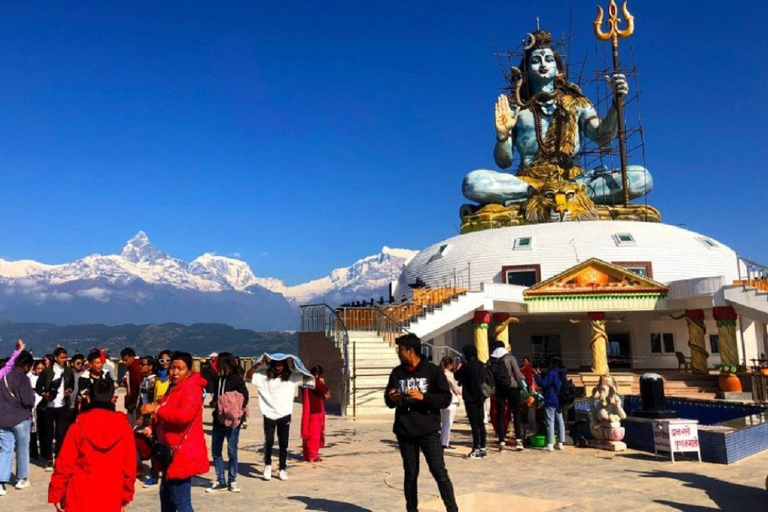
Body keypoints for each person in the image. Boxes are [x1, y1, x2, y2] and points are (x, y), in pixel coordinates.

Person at [462, 29, 652, 206]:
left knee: (641, 178)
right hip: (528, 181)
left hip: (575, 180)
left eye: (548, 59)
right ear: (526, 69)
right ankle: (541, 194)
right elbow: (504, 162)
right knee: (473, 183)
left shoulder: (577, 103)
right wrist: (502, 135)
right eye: (536, 60)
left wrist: (616, 104)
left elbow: (603, 137)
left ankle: (561, 194)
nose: (543, 64)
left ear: (558, 68)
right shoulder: (517, 108)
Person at [384, 334, 458, 512]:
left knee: (439, 472)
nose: (398, 353)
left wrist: (423, 397)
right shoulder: (397, 373)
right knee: (410, 474)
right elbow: (388, 400)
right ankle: (411, 509)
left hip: (428, 431)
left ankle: (452, 509)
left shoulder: (432, 371)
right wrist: (392, 397)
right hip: (405, 432)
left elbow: (445, 399)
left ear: (410, 351)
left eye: (400, 349)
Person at [48, 379, 136, 512]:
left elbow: (64, 464)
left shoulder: (78, 427)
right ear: (113, 399)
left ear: (89, 399)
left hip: (79, 496)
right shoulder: (125, 429)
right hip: (111, 496)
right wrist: (127, 495)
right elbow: (129, 467)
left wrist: (56, 493)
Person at [139, 351, 208, 512]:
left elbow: (184, 416)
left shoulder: (192, 389)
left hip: (181, 453)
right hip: (169, 452)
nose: (175, 372)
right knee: (167, 501)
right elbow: (164, 416)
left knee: (181, 504)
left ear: (189, 371)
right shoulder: (174, 388)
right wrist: (150, 429)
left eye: (180, 368)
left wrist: (156, 408)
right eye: (172, 368)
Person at [251, 354, 313, 481]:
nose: (278, 367)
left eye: (281, 364)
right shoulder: (263, 377)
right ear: (272, 364)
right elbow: (248, 375)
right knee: (268, 441)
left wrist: (296, 365)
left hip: (284, 413)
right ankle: (267, 465)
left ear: (285, 365)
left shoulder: (291, 378)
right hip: (268, 412)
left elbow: (308, 377)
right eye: (276, 364)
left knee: (283, 443)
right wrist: (258, 364)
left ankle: (282, 469)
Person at [206, 352, 248, 493]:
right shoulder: (218, 380)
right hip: (218, 420)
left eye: (220, 364)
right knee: (216, 451)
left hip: (232, 421)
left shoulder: (236, 379)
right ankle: (220, 480)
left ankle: (233, 480)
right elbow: (216, 396)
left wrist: (233, 409)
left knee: (232, 450)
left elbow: (245, 397)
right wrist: (216, 403)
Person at [0, 350, 35, 495]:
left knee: (5, 449)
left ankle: (1, 482)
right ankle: (22, 478)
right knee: (22, 448)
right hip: (20, 417)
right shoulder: (23, 379)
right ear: (26, 365)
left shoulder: (4, 376)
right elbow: (28, 400)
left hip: (3, 417)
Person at [36, 347, 75, 471]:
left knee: (60, 433)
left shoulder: (69, 371)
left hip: (62, 405)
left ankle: (59, 457)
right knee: (48, 432)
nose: (64, 360)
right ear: (56, 358)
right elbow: (38, 387)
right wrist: (44, 394)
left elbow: (72, 385)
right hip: (48, 406)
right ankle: (48, 458)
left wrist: (68, 390)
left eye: (65, 357)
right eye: (62, 357)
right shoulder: (47, 372)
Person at [488, 341, 525, 451]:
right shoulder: (510, 358)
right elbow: (518, 374)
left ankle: (501, 440)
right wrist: (522, 385)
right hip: (512, 387)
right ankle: (518, 439)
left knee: (500, 413)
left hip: (499, 389)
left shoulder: (491, 359)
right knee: (516, 412)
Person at [535, 356, 567, 451]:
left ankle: (550, 444)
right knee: (560, 420)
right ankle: (560, 442)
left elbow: (544, 383)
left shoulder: (552, 372)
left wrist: (537, 376)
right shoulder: (562, 372)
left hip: (551, 399)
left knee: (550, 421)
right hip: (559, 399)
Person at [301, 365, 329, 462]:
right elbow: (324, 390)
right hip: (315, 411)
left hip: (309, 410)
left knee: (308, 433)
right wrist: (321, 382)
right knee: (314, 434)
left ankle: (307, 454)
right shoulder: (314, 381)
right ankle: (313, 455)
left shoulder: (305, 381)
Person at [76, 349, 114, 414]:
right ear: (90, 364)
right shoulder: (84, 377)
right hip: (89, 409)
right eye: (97, 363)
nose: (100, 365)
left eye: (101, 362)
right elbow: (83, 394)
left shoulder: (106, 374)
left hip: (106, 408)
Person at [438, 357, 461, 450]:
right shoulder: (449, 375)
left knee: (442, 422)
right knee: (448, 422)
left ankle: (441, 440)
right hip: (450, 399)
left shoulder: (438, 373)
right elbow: (455, 388)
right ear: (449, 365)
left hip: (440, 399)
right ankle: (445, 442)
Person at [120, 347, 142, 425]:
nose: (124, 362)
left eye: (126, 360)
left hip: (134, 403)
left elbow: (136, 388)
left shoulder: (136, 369)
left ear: (132, 358)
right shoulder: (131, 369)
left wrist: (132, 402)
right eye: (123, 360)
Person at [28, 359, 46, 460]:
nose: (40, 370)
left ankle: (44, 451)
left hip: (45, 406)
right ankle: (33, 450)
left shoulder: (47, 379)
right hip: (34, 406)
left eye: (42, 368)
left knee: (44, 430)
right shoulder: (31, 379)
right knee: (33, 430)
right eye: (38, 368)